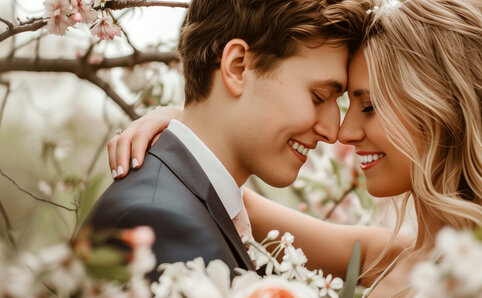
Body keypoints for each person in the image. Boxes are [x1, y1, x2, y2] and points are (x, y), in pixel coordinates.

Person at [110, 5, 482, 298]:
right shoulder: (396, 255)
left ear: (441, 112)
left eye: (369, 106)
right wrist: (192, 117)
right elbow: (229, 198)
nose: (345, 132)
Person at [87, 0, 375, 280]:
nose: (332, 130)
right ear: (238, 67)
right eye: (319, 97)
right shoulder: (155, 221)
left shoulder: (202, 204)